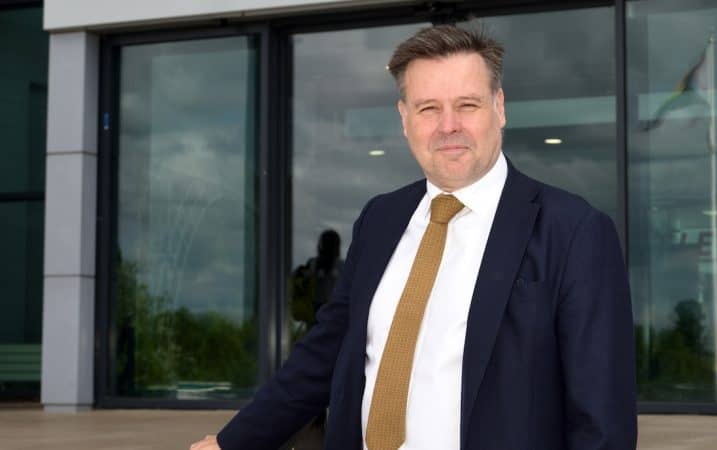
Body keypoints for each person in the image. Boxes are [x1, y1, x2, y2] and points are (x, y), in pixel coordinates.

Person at [191, 25, 636, 450]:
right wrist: (238, 441)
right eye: (428, 108)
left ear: (499, 107)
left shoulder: (574, 231)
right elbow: (324, 353)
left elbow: (602, 422)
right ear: (404, 118)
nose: (448, 126)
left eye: (467, 105)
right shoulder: (380, 219)